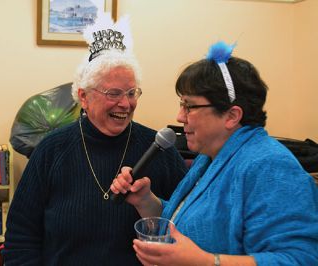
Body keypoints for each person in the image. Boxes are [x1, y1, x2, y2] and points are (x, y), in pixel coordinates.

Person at [111, 41, 318, 265]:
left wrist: (207, 262)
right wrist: (146, 201)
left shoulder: (270, 166)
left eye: (189, 106)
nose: (180, 117)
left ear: (231, 116)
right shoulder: (210, 157)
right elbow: (186, 221)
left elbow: (300, 258)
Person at [3, 15, 187, 265]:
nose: (125, 103)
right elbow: (21, 235)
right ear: (84, 97)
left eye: (132, 93)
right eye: (113, 93)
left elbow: (187, 225)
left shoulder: (159, 150)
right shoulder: (51, 150)